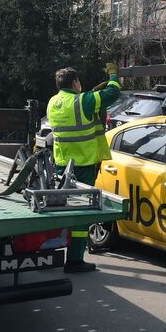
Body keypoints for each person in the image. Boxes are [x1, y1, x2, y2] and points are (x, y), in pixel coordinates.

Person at [46, 63, 122, 273]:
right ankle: (74, 260)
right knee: (80, 213)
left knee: (60, 209)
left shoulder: (53, 102)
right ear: (75, 82)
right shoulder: (82, 101)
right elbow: (113, 92)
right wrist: (113, 74)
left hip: (62, 164)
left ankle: (48, 252)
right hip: (84, 165)